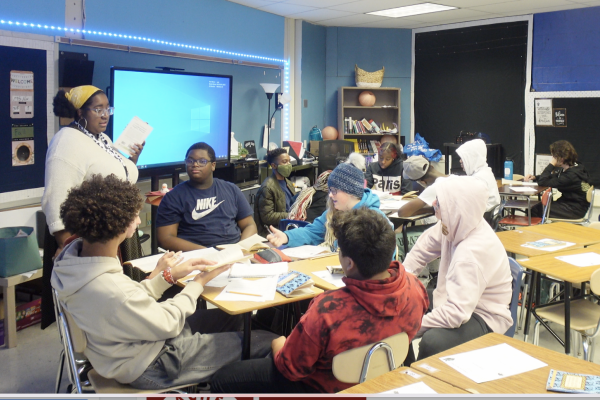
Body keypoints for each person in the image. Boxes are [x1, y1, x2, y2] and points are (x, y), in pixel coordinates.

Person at [51, 175, 276, 389]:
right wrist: (198, 283)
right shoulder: (111, 288)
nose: (139, 220)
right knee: (266, 341)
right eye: (135, 216)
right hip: (153, 364)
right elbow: (167, 322)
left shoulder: (75, 262)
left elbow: (127, 303)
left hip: (127, 345)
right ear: (118, 225)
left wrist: (167, 276)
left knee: (233, 318)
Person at [210, 208, 429, 393]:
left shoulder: (328, 309)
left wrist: (279, 343)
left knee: (223, 377)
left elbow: (291, 369)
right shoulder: (414, 287)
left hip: (324, 387)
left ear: (349, 263)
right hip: (382, 377)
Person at [41, 85, 144, 328]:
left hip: (117, 234)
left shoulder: (102, 139)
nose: (105, 114)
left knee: (122, 305)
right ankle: (101, 358)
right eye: (98, 109)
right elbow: (56, 200)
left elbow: (118, 176)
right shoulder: (66, 141)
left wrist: (132, 161)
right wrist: (68, 249)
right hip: (88, 242)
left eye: (108, 108)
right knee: (99, 312)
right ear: (80, 112)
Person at [403, 177, 512, 360]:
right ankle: (405, 372)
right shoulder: (457, 223)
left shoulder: (470, 253)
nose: (434, 203)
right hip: (459, 301)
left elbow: (456, 313)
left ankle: (423, 382)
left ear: (456, 207)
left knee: (432, 341)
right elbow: (422, 249)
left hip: (483, 315)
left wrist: (412, 328)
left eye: (441, 201)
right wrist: (402, 281)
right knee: (402, 303)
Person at [266, 160, 389, 251]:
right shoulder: (333, 213)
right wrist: (286, 237)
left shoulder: (375, 219)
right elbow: (311, 232)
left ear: (350, 191)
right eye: (330, 190)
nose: (330, 195)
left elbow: (385, 254)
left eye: (334, 190)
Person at [156, 142, 257, 251]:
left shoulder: (231, 190)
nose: (195, 164)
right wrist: (209, 253)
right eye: (190, 161)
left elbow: (249, 225)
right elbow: (166, 239)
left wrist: (240, 249)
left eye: (202, 161)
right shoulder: (173, 197)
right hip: (196, 257)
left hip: (234, 252)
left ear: (213, 165)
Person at [525, 140, 591, 219]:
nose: (553, 158)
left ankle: (537, 231)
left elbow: (543, 182)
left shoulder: (570, 176)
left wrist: (551, 164)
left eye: (554, 156)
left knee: (533, 209)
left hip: (574, 209)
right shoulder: (576, 167)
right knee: (536, 206)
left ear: (561, 158)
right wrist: (535, 177)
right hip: (573, 204)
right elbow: (554, 176)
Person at [255, 148, 296, 237]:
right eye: (284, 162)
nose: (288, 164)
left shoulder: (288, 182)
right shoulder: (267, 187)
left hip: (288, 227)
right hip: (273, 233)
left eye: (289, 161)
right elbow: (267, 216)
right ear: (274, 166)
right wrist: (288, 215)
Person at [455, 139, 501, 213]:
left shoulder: (479, 179)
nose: (460, 161)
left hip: (482, 219)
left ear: (472, 158)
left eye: (463, 158)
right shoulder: (485, 172)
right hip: (487, 217)